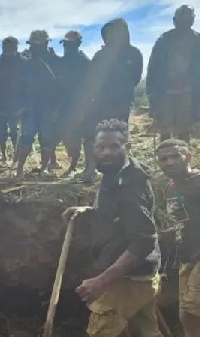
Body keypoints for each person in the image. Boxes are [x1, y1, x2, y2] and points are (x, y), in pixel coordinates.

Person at [62, 119, 161, 337]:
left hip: (126, 280)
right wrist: (89, 209)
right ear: (93, 147)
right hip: (142, 276)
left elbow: (144, 240)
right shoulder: (115, 173)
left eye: (114, 146)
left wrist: (101, 281)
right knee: (144, 332)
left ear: (127, 146)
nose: (106, 152)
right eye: (101, 147)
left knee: (101, 332)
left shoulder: (128, 188)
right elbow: (120, 215)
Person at [80, 19, 143, 182]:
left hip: (120, 102)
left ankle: (118, 171)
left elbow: (134, 78)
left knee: (117, 137)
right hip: (99, 102)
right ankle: (90, 169)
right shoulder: (100, 55)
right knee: (90, 134)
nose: (112, 37)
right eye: (108, 34)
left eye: (116, 33)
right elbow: (90, 78)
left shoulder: (134, 54)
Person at [155, 139, 200, 336]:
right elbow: (177, 225)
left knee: (189, 313)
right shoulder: (170, 188)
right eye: (163, 159)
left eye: (175, 156)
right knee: (188, 313)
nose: (169, 162)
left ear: (188, 157)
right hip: (186, 257)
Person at [147, 5, 200, 143]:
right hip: (165, 93)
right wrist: (152, 95)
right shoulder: (164, 40)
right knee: (165, 130)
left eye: (189, 18)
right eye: (182, 18)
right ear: (174, 20)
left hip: (189, 93)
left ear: (193, 20)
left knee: (185, 130)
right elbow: (152, 68)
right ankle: (165, 158)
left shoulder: (197, 40)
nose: (185, 21)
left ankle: (182, 160)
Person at [16, 30, 61, 176]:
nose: (34, 48)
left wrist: (56, 109)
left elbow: (60, 88)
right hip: (30, 108)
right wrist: (21, 106)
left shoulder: (56, 63)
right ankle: (20, 169)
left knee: (47, 140)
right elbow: (20, 86)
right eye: (32, 44)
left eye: (37, 44)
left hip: (48, 108)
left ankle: (44, 169)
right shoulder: (26, 64)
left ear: (46, 44)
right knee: (26, 138)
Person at [57, 31, 91, 177]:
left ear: (78, 44)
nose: (66, 46)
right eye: (65, 44)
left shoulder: (83, 61)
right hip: (64, 104)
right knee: (67, 135)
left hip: (79, 104)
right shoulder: (63, 61)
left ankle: (81, 166)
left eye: (70, 44)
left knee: (81, 135)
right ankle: (74, 163)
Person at [0, 36, 25, 163]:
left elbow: (28, 84)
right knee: (0, 133)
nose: (9, 50)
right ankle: (4, 155)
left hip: (17, 105)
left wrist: (24, 104)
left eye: (12, 47)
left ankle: (17, 156)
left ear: (16, 47)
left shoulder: (23, 63)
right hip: (0, 106)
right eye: (6, 48)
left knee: (16, 133)